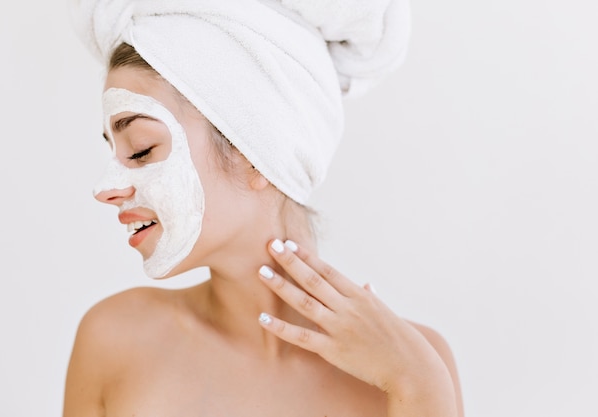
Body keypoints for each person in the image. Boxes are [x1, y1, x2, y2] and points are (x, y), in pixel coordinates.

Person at [64, 0, 464, 416]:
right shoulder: (115, 340)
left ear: (254, 153)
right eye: (114, 152)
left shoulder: (417, 367)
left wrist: (418, 386)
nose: (106, 188)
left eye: (142, 150)